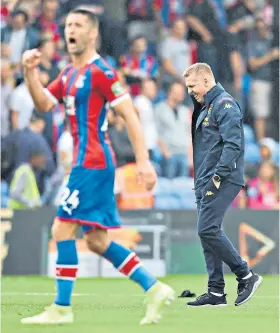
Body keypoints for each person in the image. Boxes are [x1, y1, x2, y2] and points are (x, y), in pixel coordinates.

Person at [21, 8, 174, 325]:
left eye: (77, 25)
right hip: (86, 161)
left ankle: (61, 309)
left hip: (92, 162)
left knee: (62, 228)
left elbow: (130, 115)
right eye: (66, 26)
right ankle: (154, 287)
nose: (69, 30)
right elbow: (42, 104)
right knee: (96, 241)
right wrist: (30, 73)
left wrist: (144, 162)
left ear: (92, 34)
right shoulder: (67, 74)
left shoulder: (101, 72)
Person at [183, 63, 262, 307]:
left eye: (192, 86)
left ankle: (246, 275)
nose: (189, 91)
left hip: (222, 178)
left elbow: (233, 145)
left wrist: (217, 178)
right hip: (205, 178)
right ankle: (216, 291)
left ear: (206, 81)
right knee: (208, 233)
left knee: (207, 229)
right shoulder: (207, 106)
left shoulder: (224, 104)